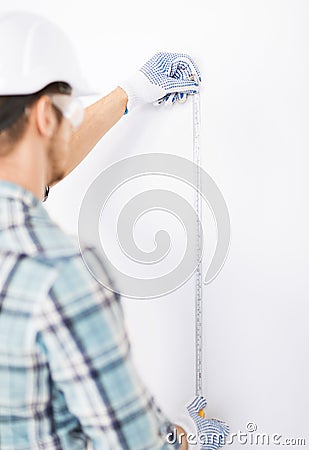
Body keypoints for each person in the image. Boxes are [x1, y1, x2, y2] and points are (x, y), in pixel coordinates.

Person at [0, 11, 207, 450]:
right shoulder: (55, 272)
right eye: (68, 111)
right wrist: (188, 441)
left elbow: (28, 165)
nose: (72, 122)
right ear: (44, 116)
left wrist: (130, 92)